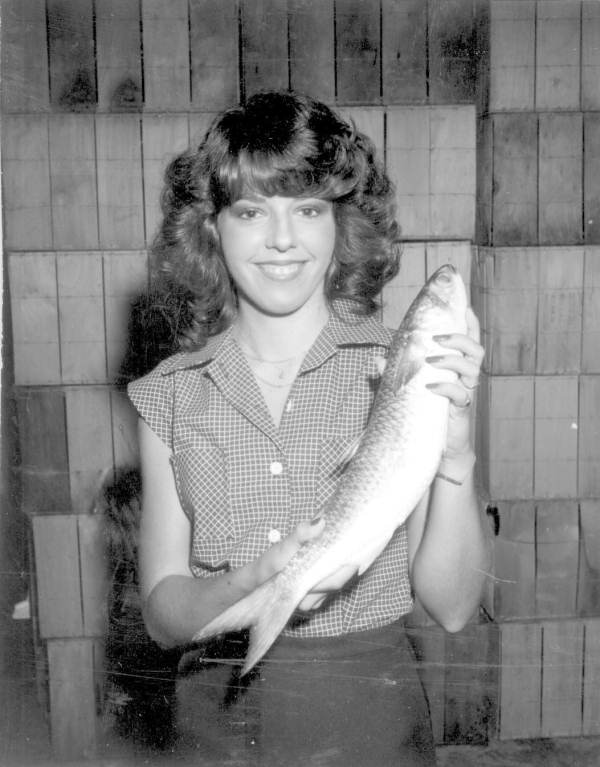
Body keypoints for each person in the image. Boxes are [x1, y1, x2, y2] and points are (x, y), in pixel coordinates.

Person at [128, 90, 490, 766]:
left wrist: (457, 454)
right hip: (217, 716)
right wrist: (251, 582)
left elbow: (454, 606)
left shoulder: (402, 372)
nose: (283, 239)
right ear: (211, 227)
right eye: (250, 211)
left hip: (366, 711)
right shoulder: (169, 393)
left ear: (340, 224)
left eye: (309, 209)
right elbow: (162, 615)